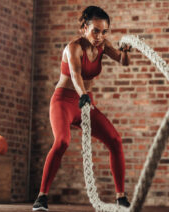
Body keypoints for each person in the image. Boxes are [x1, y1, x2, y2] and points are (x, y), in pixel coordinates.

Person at [33, 5, 132, 211]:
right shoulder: (74, 48)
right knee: (61, 142)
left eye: (104, 31)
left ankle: (121, 198)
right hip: (65, 101)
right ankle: (41, 197)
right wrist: (84, 95)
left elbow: (123, 62)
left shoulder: (103, 46)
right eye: (95, 30)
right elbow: (76, 75)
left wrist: (125, 51)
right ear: (83, 29)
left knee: (115, 140)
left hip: (86, 103)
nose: (100, 36)